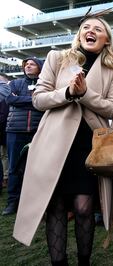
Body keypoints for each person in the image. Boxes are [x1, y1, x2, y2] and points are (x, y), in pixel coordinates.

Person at [13, 13, 113, 265]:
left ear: (106, 40)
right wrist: (68, 93)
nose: (90, 30)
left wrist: (84, 94)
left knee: (84, 208)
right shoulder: (57, 58)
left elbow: (112, 108)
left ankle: (84, 262)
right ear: (80, 34)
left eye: (97, 28)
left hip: (89, 145)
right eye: (86, 27)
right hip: (54, 142)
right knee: (57, 207)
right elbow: (39, 99)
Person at [2, 57, 44, 215]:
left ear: (40, 67)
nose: (28, 66)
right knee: (14, 168)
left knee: (37, 168)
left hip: (38, 130)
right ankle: (13, 201)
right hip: (15, 130)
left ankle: (35, 202)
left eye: (32, 64)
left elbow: (46, 102)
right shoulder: (15, 83)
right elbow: (10, 99)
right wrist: (35, 100)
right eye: (26, 64)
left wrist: (27, 100)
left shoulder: (45, 84)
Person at [0, 73, 10, 194]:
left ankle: (5, 177)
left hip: (4, 128)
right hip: (6, 128)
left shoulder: (4, 89)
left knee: (4, 154)